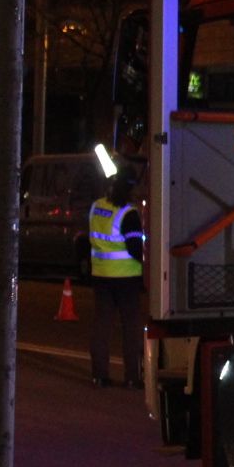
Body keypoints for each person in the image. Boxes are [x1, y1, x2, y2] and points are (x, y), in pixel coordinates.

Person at [87, 165, 145, 389]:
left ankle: (99, 375)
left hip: (100, 274)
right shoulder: (128, 213)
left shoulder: (96, 207)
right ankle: (132, 377)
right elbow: (134, 248)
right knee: (131, 327)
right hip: (126, 277)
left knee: (102, 325)